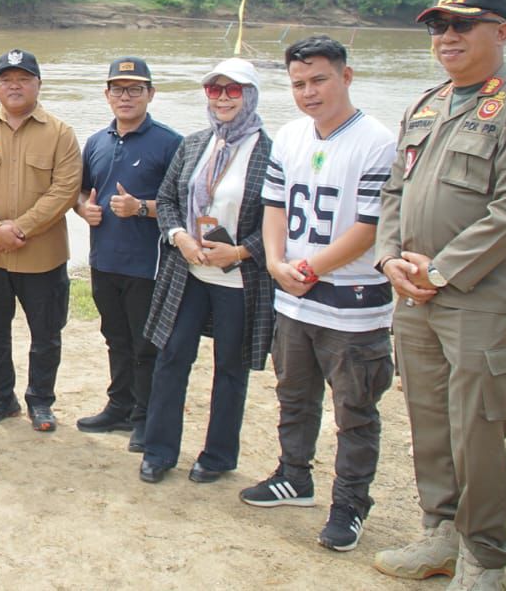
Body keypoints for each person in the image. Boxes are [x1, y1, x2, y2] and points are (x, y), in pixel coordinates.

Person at [373, 0, 506, 589]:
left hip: (484, 299)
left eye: (462, 25)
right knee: (430, 423)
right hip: (415, 296)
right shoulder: (425, 105)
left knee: (478, 432)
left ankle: (484, 558)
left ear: (501, 32)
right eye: (438, 27)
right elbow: (394, 191)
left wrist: (441, 270)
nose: (447, 36)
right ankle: (439, 534)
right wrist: (390, 258)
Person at [237, 36, 396, 553]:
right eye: (299, 83)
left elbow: (371, 226)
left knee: (355, 409)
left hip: (353, 304)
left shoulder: (377, 142)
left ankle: (350, 504)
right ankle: (294, 474)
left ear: (346, 77)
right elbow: (275, 208)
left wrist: (307, 267)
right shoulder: (289, 137)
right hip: (294, 297)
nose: (309, 92)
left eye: (319, 80)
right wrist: (279, 263)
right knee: (294, 395)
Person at [139, 59, 273, 485]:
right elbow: (169, 198)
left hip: (238, 278)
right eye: (215, 91)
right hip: (189, 270)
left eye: (233, 91)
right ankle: (159, 451)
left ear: (249, 96)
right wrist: (179, 236)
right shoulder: (196, 144)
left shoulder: (271, 153)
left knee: (229, 368)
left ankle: (217, 456)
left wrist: (239, 251)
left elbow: (280, 220)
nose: (222, 99)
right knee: (172, 356)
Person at [0, 49, 82, 432]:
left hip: (42, 256)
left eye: (23, 79)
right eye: (7, 79)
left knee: (46, 333)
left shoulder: (60, 133)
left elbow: (65, 189)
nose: (15, 86)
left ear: (38, 84)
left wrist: (21, 228)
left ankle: (41, 402)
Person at [74, 57, 181, 453]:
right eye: (118, 89)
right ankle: (119, 405)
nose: (126, 97)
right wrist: (83, 209)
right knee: (114, 337)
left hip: (148, 264)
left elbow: (183, 204)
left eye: (135, 89)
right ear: (106, 95)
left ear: (151, 94)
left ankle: (145, 416)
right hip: (104, 260)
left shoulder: (170, 143)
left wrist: (141, 207)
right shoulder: (97, 141)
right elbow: (82, 191)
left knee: (145, 343)